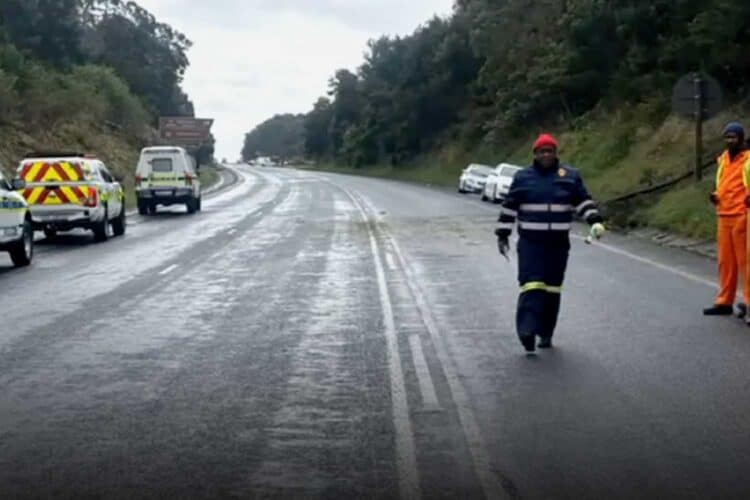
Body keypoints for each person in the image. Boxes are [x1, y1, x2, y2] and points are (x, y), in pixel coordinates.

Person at [495, 134, 605, 354]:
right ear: (535, 154)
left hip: (558, 244)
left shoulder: (570, 177)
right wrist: (503, 234)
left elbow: (582, 201)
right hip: (531, 243)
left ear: (555, 153)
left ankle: (546, 333)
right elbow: (509, 207)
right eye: (542, 151)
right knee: (532, 285)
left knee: (552, 290)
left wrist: (595, 220)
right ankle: (527, 332)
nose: (546, 155)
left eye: (550, 151)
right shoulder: (523, 177)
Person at [704, 122, 750, 320]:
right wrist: (716, 195)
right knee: (726, 262)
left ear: (741, 138)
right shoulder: (724, 158)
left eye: (734, 137)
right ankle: (724, 301)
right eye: (727, 137)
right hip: (724, 214)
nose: (730, 141)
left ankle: (749, 303)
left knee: (745, 263)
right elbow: (723, 182)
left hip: (742, 215)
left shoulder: (748, 159)